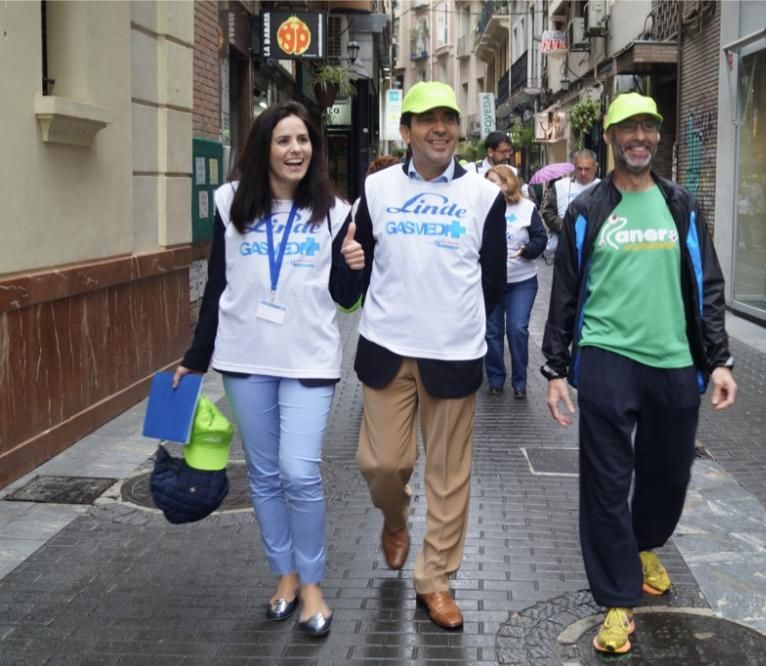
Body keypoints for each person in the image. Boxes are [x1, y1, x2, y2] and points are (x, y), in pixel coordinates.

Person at [540, 93, 736, 655]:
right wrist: (555, 368)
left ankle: (645, 541)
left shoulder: (681, 206)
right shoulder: (587, 210)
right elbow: (566, 294)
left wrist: (718, 359)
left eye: (648, 127)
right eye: (628, 128)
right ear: (610, 138)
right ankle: (618, 600)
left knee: (668, 475)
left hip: (674, 361)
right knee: (604, 483)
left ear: (657, 136)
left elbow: (709, 286)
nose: (640, 137)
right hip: (605, 359)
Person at [173, 101, 365, 637]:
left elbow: (345, 299)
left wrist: (355, 267)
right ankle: (284, 576)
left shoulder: (334, 210)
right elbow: (217, 286)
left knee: (299, 471)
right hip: (244, 358)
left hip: (308, 358)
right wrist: (195, 360)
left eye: (303, 140)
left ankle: (313, 585)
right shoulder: (232, 203)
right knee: (262, 476)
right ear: (264, 147)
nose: (295, 150)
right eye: (284, 140)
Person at [349, 82, 507, 630]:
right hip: (387, 347)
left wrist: (453, 319)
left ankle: (434, 578)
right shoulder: (375, 189)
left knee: (448, 476)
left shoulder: (484, 196)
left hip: (454, 352)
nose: (439, 127)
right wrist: (347, 266)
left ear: (459, 130)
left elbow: (492, 281)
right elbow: (352, 274)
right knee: (382, 464)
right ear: (407, 130)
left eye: (449, 118)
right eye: (427, 119)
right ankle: (395, 519)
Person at [483, 164, 547, 398]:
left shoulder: (526, 207)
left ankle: (520, 382)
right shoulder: (481, 206)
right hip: (491, 280)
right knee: (492, 331)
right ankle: (496, 378)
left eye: (494, 181)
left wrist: (526, 250)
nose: (488, 186)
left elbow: (541, 238)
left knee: (517, 329)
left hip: (522, 280)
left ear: (507, 182)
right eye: (487, 181)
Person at [541, 149, 601, 262]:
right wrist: (562, 225)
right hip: (566, 247)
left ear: (595, 167)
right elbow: (548, 212)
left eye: (587, 169)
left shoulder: (603, 187)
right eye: (579, 169)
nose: (583, 173)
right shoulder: (560, 186)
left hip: (595, 249)